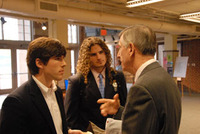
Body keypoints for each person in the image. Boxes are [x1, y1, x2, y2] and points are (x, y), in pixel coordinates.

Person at [97, 25, 182, 134]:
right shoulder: (165, 77)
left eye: (120, 47)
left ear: (131, 49)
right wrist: (120, 111)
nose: (118, 55)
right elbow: (151, 119)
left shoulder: (141, 88)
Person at [0, 37, 68, 134]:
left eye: (63, 59)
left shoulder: (57, 92)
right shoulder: (16, 102)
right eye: (58, 59)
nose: (64, 64)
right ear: (39, 63)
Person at [64, 37, 127, 133]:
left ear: (106, 52)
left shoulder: (118, 77)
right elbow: (70, 117)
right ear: (86, 58)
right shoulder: (77, 81)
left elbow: (125, 106)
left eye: (101, 52)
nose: (99, 57)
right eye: (93, 54)